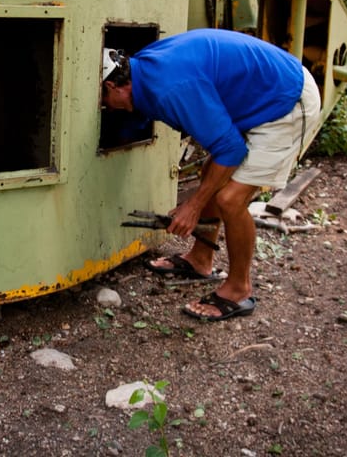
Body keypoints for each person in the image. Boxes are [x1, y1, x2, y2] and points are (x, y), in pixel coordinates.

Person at [101, 28, 321, 321]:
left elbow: (230, 150)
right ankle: (200, 260)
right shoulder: (143, 68)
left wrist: (192, 207)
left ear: (116, 86)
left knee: (230, 199)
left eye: (103, 99)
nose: (105, 107)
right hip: (263, 90)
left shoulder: (170, 88)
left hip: (286, 101)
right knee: (210, 173)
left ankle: (239, 290)